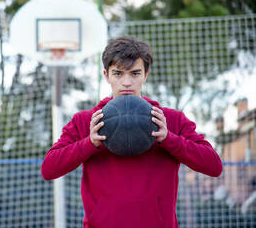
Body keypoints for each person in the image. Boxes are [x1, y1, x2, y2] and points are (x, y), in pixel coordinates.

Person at [41, 36, 223, 228]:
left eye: (135, 74)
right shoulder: (86, 121)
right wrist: (89, 143)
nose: (126, 82)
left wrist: (169, 139)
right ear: (106, 75)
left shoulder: (171, 120)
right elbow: (49, 169)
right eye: (118, 74)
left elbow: (214, 166)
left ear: (146, 75)